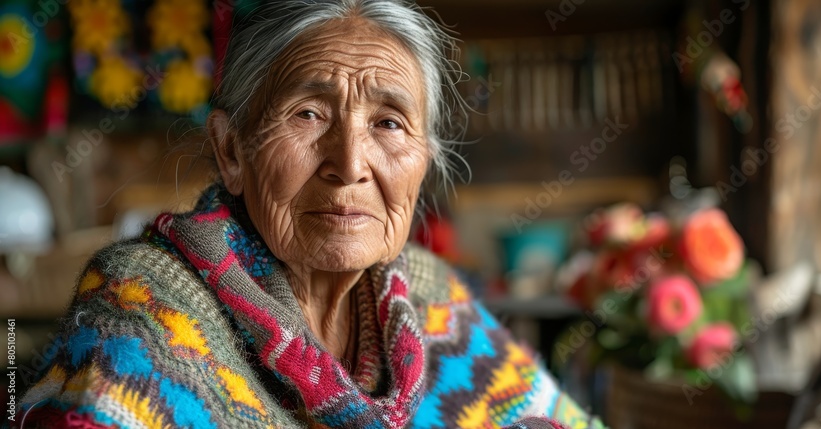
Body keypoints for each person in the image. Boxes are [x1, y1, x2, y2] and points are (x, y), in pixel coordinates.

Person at [15, 1, 601, 427]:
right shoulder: (145, 302)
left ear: (424, 160)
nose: (349, 164)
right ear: (231, 150)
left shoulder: (432, 299)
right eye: (308, 114)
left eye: (388, 123)